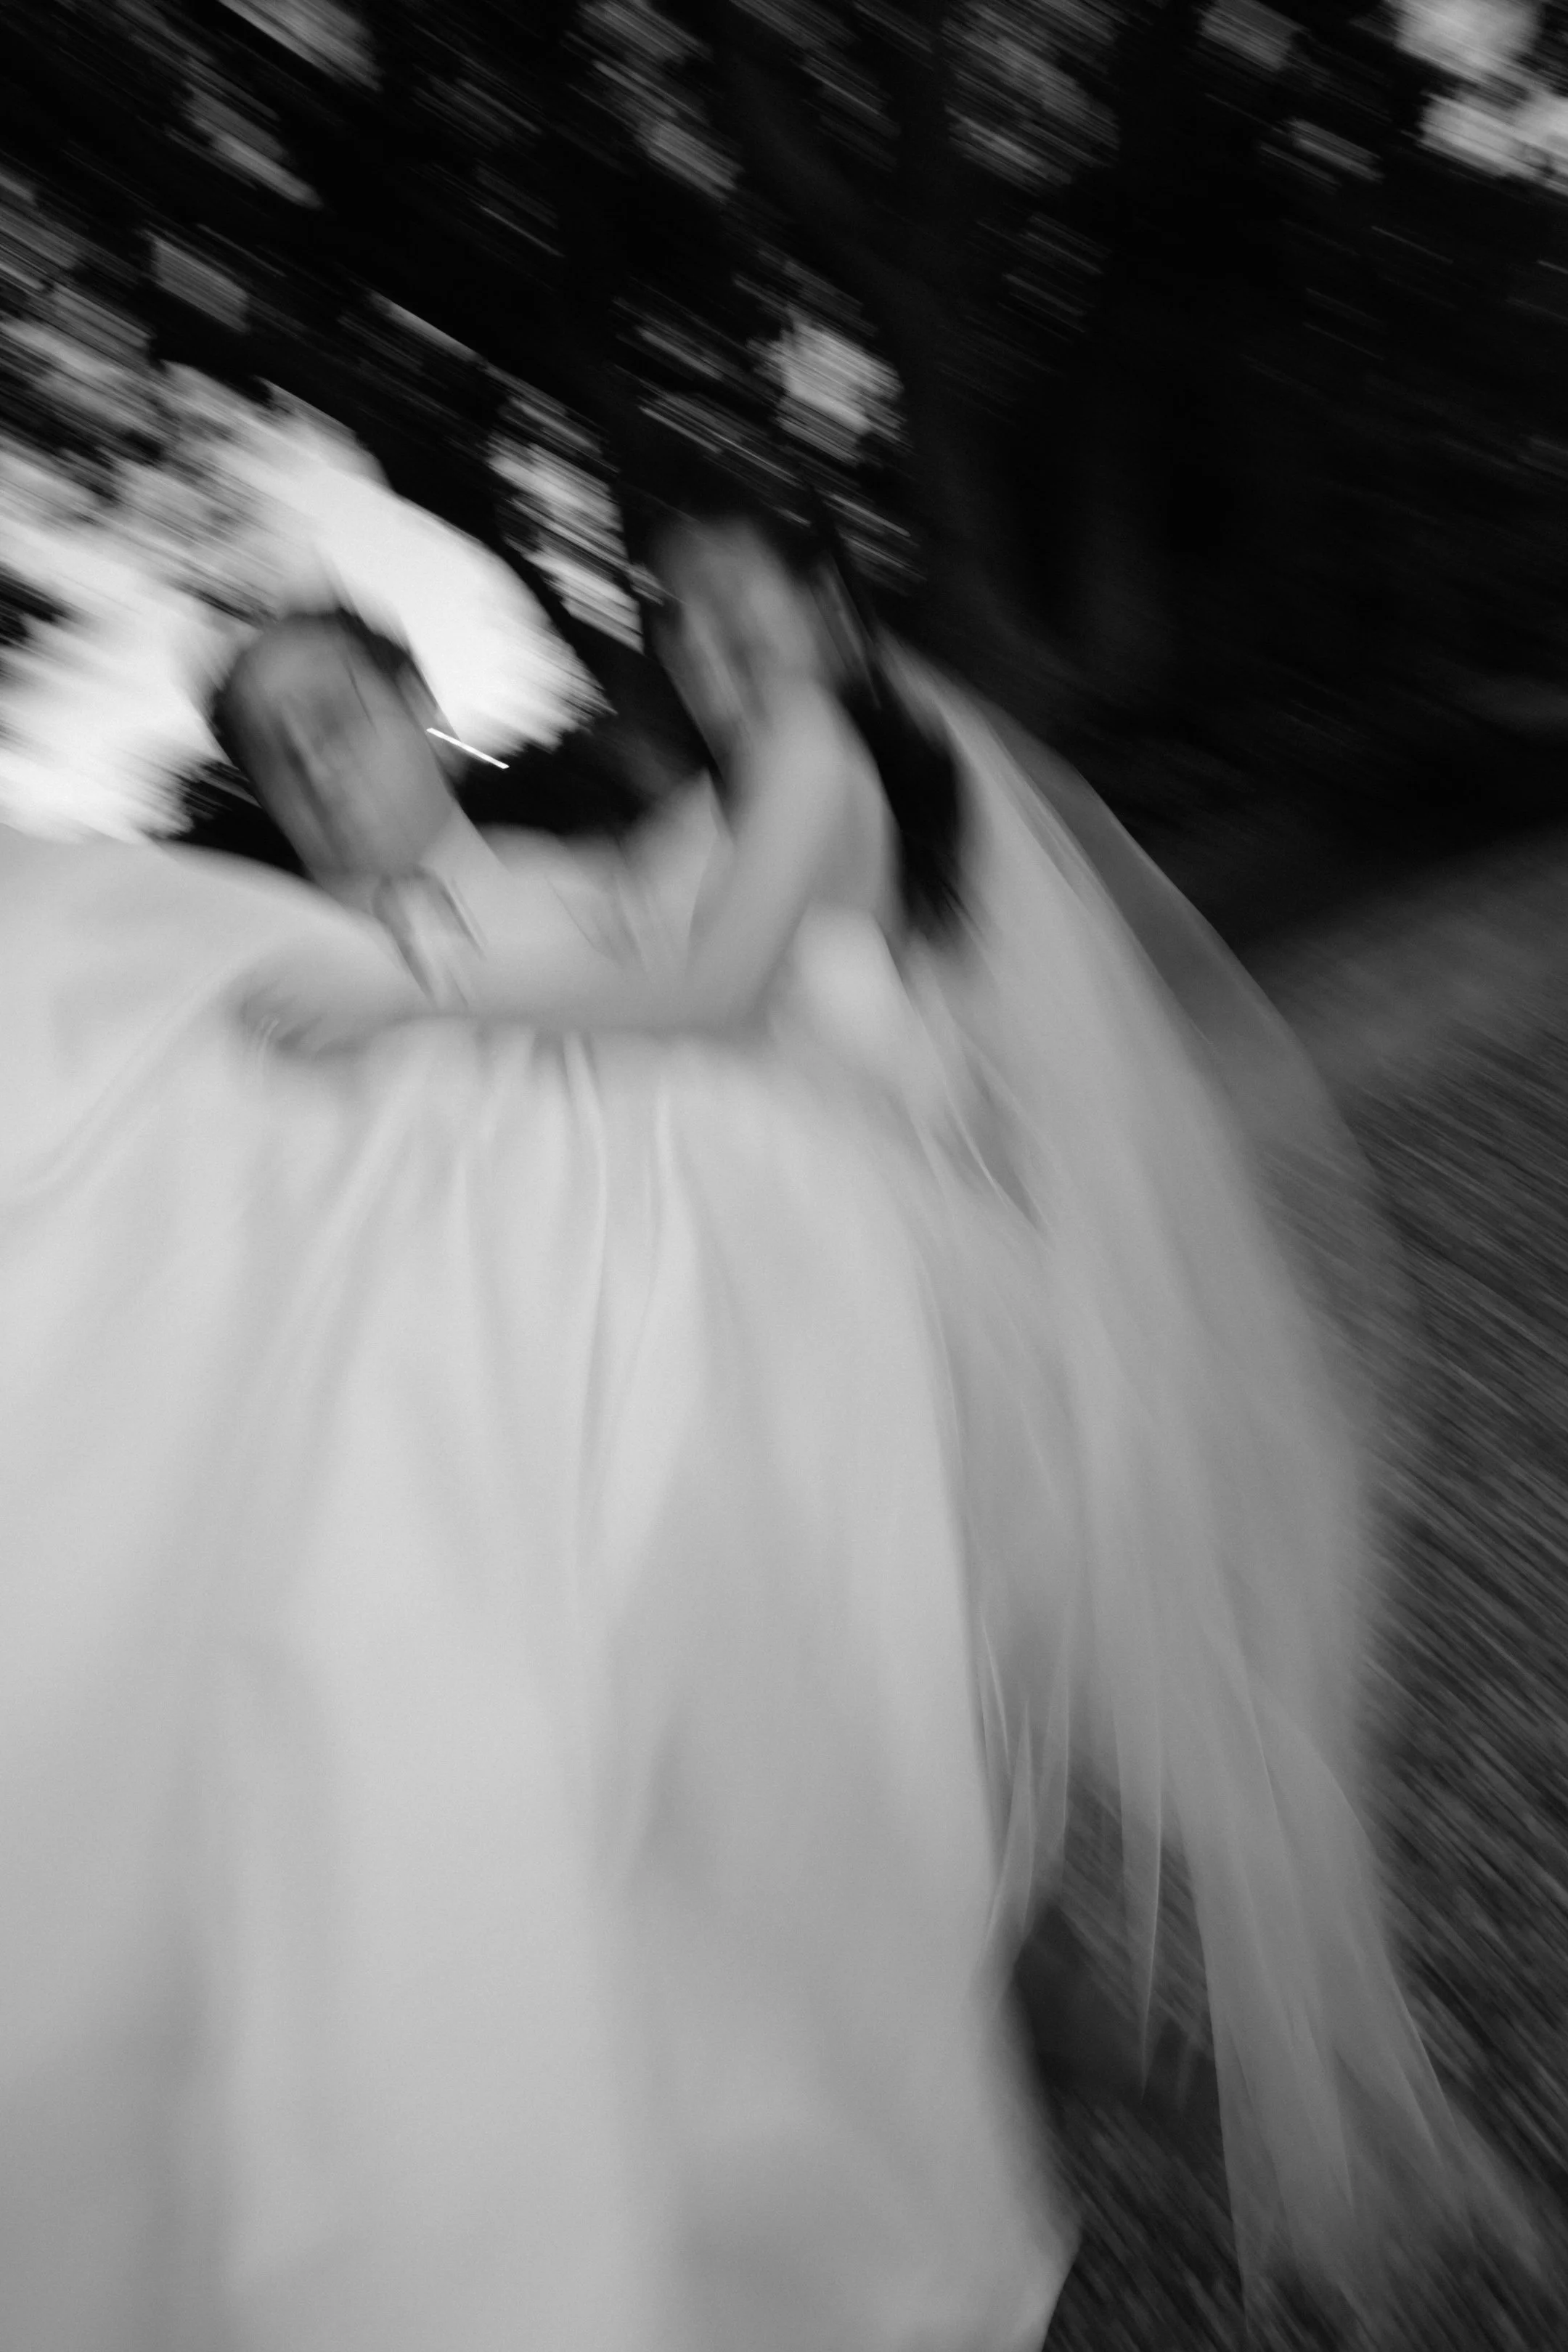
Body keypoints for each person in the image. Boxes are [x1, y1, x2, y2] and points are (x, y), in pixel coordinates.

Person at [237, 455, 1548, 2317]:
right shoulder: (671, 837)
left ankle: (1172, 2098)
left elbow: (707, 1012)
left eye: (740, 605)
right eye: (674, 617)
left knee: (947, 1773)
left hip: (873, 1336)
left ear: (829, 608)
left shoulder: (803, 777)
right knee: (901, 1784)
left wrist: (418, 1007)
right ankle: (1058, 2069)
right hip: (767, 1353)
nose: (707, 643)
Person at [0, 618, 1077, 2346]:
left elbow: (784, 1094)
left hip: (649, 1450)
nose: (314, 762)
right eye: (272, 745)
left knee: (708, 1843)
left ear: (420, 707)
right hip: (398, 1517)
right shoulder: (244, 995)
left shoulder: (600, 902)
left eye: (337, 713)